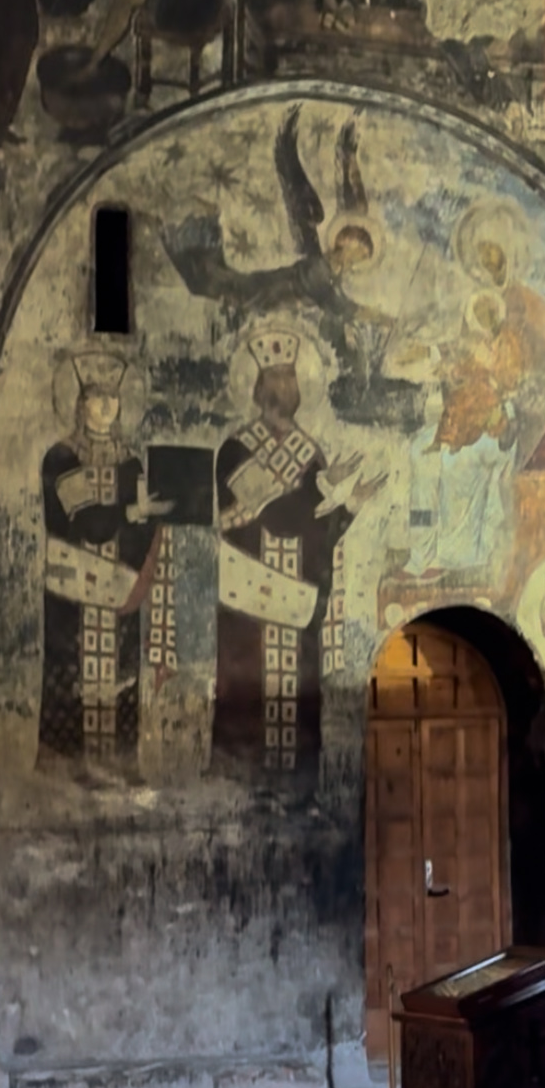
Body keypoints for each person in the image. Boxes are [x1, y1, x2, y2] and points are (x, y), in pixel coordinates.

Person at [212, 329, 383, 781]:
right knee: (246, 693)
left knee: (299, 696)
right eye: (276, 378)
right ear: (259, 386)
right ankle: (239, 782)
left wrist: (349, 505)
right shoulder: (235, 449)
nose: (284, 387)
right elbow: (275, 514)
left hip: (299, 599)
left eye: (290, 378)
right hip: (249, 599)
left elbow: (318, 530)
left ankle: (298, 790)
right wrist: (324, 486)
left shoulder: (311, 454)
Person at [38, 354, 167, 771]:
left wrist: (154, 519)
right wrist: (132, 512)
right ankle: (66, 767)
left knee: (122, 674)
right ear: (80, 403)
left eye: (113, 396)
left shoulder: (130, 462)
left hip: (119, 592)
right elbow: (88, 524)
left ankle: (121, 764)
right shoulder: (60, 457)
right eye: (97, 396)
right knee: (69, 673)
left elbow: (142, 528)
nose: (107, 405)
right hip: (72, 591)